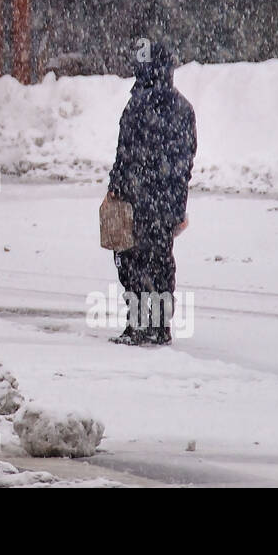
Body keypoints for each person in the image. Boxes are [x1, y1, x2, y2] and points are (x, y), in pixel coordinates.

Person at [106, 42, 196, 345]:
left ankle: (137, 324)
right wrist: (177, 205)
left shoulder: (137, 105)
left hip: (138, 200)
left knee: (133, 261)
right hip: (167, 202)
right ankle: (160, 327)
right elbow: (185, 162)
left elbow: (125, 154)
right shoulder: (184, 108)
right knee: (160, 261)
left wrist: (115, 190)